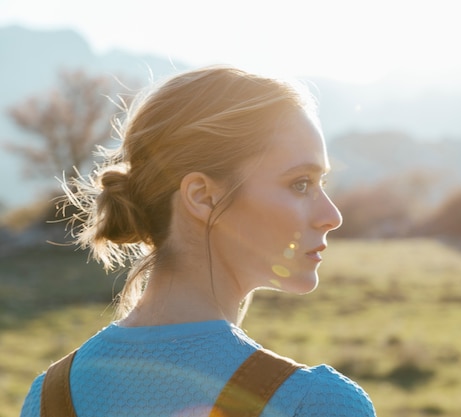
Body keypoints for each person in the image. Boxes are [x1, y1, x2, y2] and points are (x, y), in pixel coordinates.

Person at [20, 66, 376, 416]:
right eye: (300, 184)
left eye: (321, 185)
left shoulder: (49, 397)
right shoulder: (317, 403)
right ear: (203, 197)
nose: (332, 216)